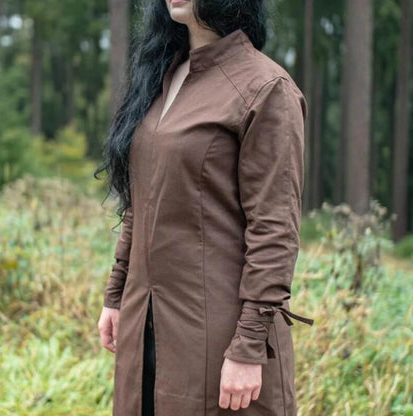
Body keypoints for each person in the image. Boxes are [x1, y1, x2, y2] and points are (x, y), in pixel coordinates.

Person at [95, 1, 314, 415]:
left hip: (220, 337)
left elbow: (274, 230)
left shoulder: (266, 87)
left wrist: (249, 346)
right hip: (147, 325)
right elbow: (141, 200)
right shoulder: (162, 75)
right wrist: (117, 294)